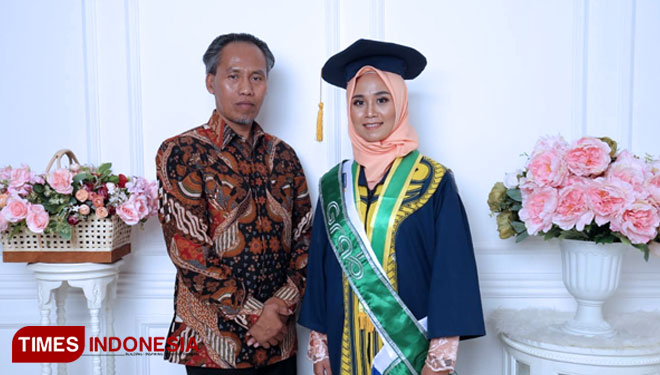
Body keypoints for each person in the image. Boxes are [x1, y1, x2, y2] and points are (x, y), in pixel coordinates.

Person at [298, 39, 485, 375]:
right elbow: (320, 271)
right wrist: (319, 346)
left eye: (382, 99)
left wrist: (440, 360)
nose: (370, 113)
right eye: (358, 102)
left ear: (399, 102)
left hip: (412, 355)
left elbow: (452, 274)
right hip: (344, 350)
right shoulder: (333, 185)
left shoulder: (434, 181)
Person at [156, 33, 312, 375]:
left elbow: (306, 242)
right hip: (212, 345)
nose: (246, 88)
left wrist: (279, 307)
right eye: (234, 76)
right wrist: (256, 314)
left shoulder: (283, 155)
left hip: (278, 343)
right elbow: (189, 254)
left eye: (257, 77)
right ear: (211, 82)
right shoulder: (182, 152)